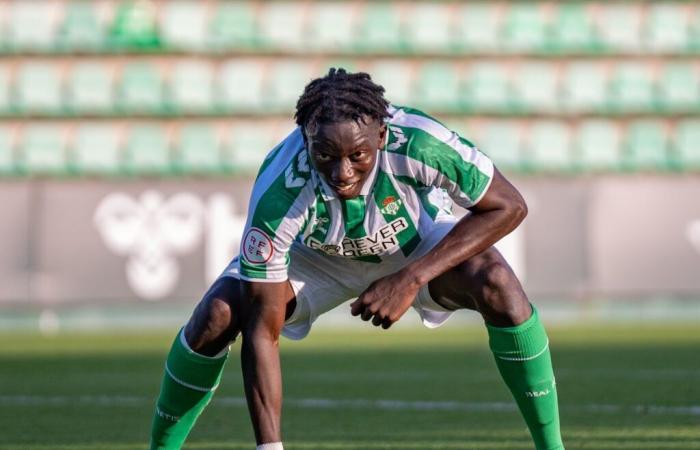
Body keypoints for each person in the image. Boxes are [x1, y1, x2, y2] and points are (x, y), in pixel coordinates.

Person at [149, 68, 565, 450]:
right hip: (313, 260)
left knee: (498, 284)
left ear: (382, 136)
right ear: (306, 135)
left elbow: (509, 206)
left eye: (358, 156)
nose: (342, 172)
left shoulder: (421, 144)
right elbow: (263, 330)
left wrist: (411, 278)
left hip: (414, 244)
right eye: (325, 155)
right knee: (219, 313)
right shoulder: (280, 189)